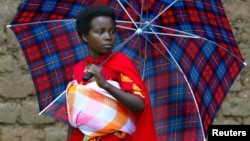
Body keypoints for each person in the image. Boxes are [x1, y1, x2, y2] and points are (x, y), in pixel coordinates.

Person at [67, 5, 157, 141]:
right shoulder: (79, 69)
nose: (108, 37)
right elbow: (75, 114)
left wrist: (105, 85)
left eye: (112, 31)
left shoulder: (121, 64)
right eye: (100, 32)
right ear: (85, 36)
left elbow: (139, 105)